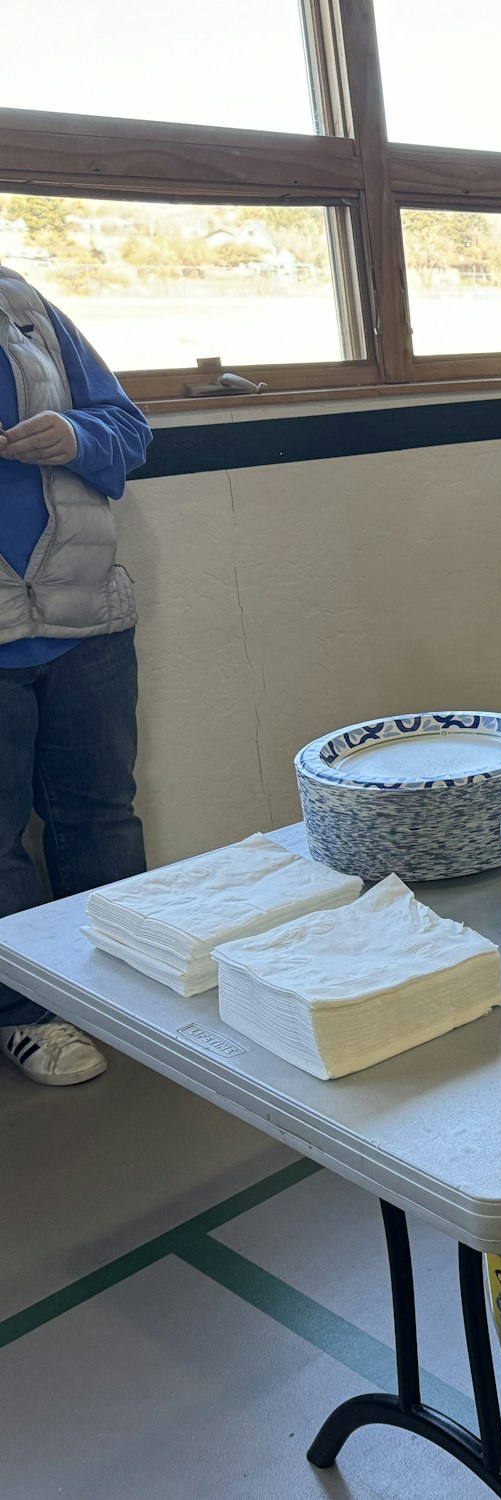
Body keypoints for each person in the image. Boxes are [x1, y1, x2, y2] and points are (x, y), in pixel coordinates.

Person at [0, 266, 152, 1085]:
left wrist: (77, 437)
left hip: (84, 617)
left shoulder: (22, 303)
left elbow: (126, 427)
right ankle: (27, 1015)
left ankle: (129, 990)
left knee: (102, 817)